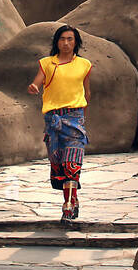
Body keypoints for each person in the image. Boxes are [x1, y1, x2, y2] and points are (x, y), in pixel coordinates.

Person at [27, 25, 91, 221]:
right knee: (60, 165)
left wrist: (81, 118)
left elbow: (86, 92)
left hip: (75, 118)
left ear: (76, 42)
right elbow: (38, 81)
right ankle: (74, 199)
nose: (66, 43)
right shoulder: (47, 63)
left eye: (70, 39)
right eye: (62, 39)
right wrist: (34, 86)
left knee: (72, 163)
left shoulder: (84, 65)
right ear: (56, 42)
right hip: (54, 120)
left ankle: (68, 205)